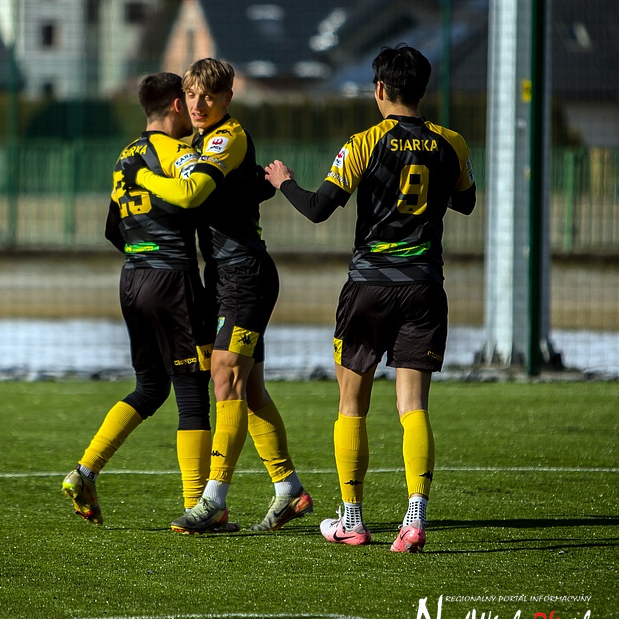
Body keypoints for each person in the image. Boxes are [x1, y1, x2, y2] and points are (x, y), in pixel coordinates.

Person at [264, 44, 477, 553]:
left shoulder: (364, 143)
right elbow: (466, 201)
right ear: (422, 89)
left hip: (368, 287)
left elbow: (319, 208)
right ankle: (414, 519)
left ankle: (353, 520)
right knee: (413, 406)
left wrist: (285, 182)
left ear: (379, 88)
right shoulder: (451, 143)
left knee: (351, 405)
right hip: (423, 286)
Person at [126, 58, 313, 534]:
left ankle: (213, 501)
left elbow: (192, 194)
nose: (198, 104)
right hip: (224, 275)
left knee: (225, 375)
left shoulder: (224, 137)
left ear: (228, 98)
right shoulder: (200, 141)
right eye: (191, 95)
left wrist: (142, 177)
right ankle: (289, 489)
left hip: (245, 273)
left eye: (209, 96)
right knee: (250, 390)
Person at [62, 72, 218, 527]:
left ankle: (85, 471)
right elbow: (194, 196)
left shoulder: (124, 156)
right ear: (176, 105)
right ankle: (196, 506)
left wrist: (144, 253)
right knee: (193, 391)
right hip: (172, 281)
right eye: (188, 99)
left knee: (150, 387)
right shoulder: (177, 152)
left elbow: (113, 228)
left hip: (132, 278)